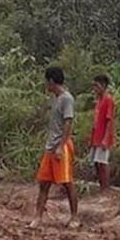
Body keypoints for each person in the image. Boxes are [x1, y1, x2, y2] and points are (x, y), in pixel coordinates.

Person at [31, 67, 79, 229]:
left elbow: (68, 123)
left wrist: (61, 146)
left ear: (51, 81)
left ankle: (74, 217)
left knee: (67, 183)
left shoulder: (67, 99)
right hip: (50, 147)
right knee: (43, 183)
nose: (45, 85)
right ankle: (37, 217)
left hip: (61, 146)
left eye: (46, 81)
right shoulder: (56, 98)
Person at [89, 74, 116, 192]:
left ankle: (106, 188)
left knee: (102, 163)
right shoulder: (98, 101)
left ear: (103, 86)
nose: (94, 88)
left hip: (104, 136)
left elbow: (109, 120)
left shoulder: (108, 100)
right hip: (96, 136)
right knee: (96, 162)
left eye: (97, 86)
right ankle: (102, 186)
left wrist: (106, 138)